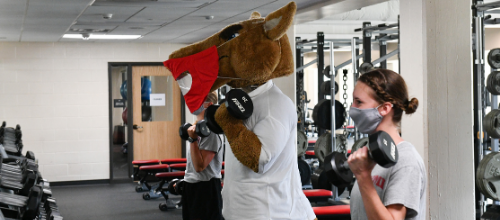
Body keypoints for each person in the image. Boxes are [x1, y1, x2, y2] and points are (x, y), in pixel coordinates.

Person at [347, 69, 427, 220]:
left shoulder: (406, 161)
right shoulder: (371, 156)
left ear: (384, 109)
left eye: (359, 102)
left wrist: (363, 177)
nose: (353, 108)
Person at [183, 91, 224, 220]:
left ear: (209, 105)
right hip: (192, 185)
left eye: (198, 102)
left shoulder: (210, 132)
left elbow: (200, 166)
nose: (194, 105)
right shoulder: (197, 128)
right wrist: (185, 181)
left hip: (206, 189)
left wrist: (193, 140)